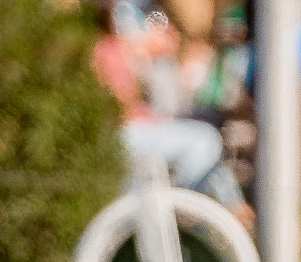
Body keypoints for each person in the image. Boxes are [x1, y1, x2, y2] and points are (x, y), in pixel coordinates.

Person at [90, 4, 253, 226]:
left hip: (135, 131)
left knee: (208, 142)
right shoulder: (110, 52)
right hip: (124, 136)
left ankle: (224, 205)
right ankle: (180, 208)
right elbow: (119, 110)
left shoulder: (129, 54)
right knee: (206, 140)